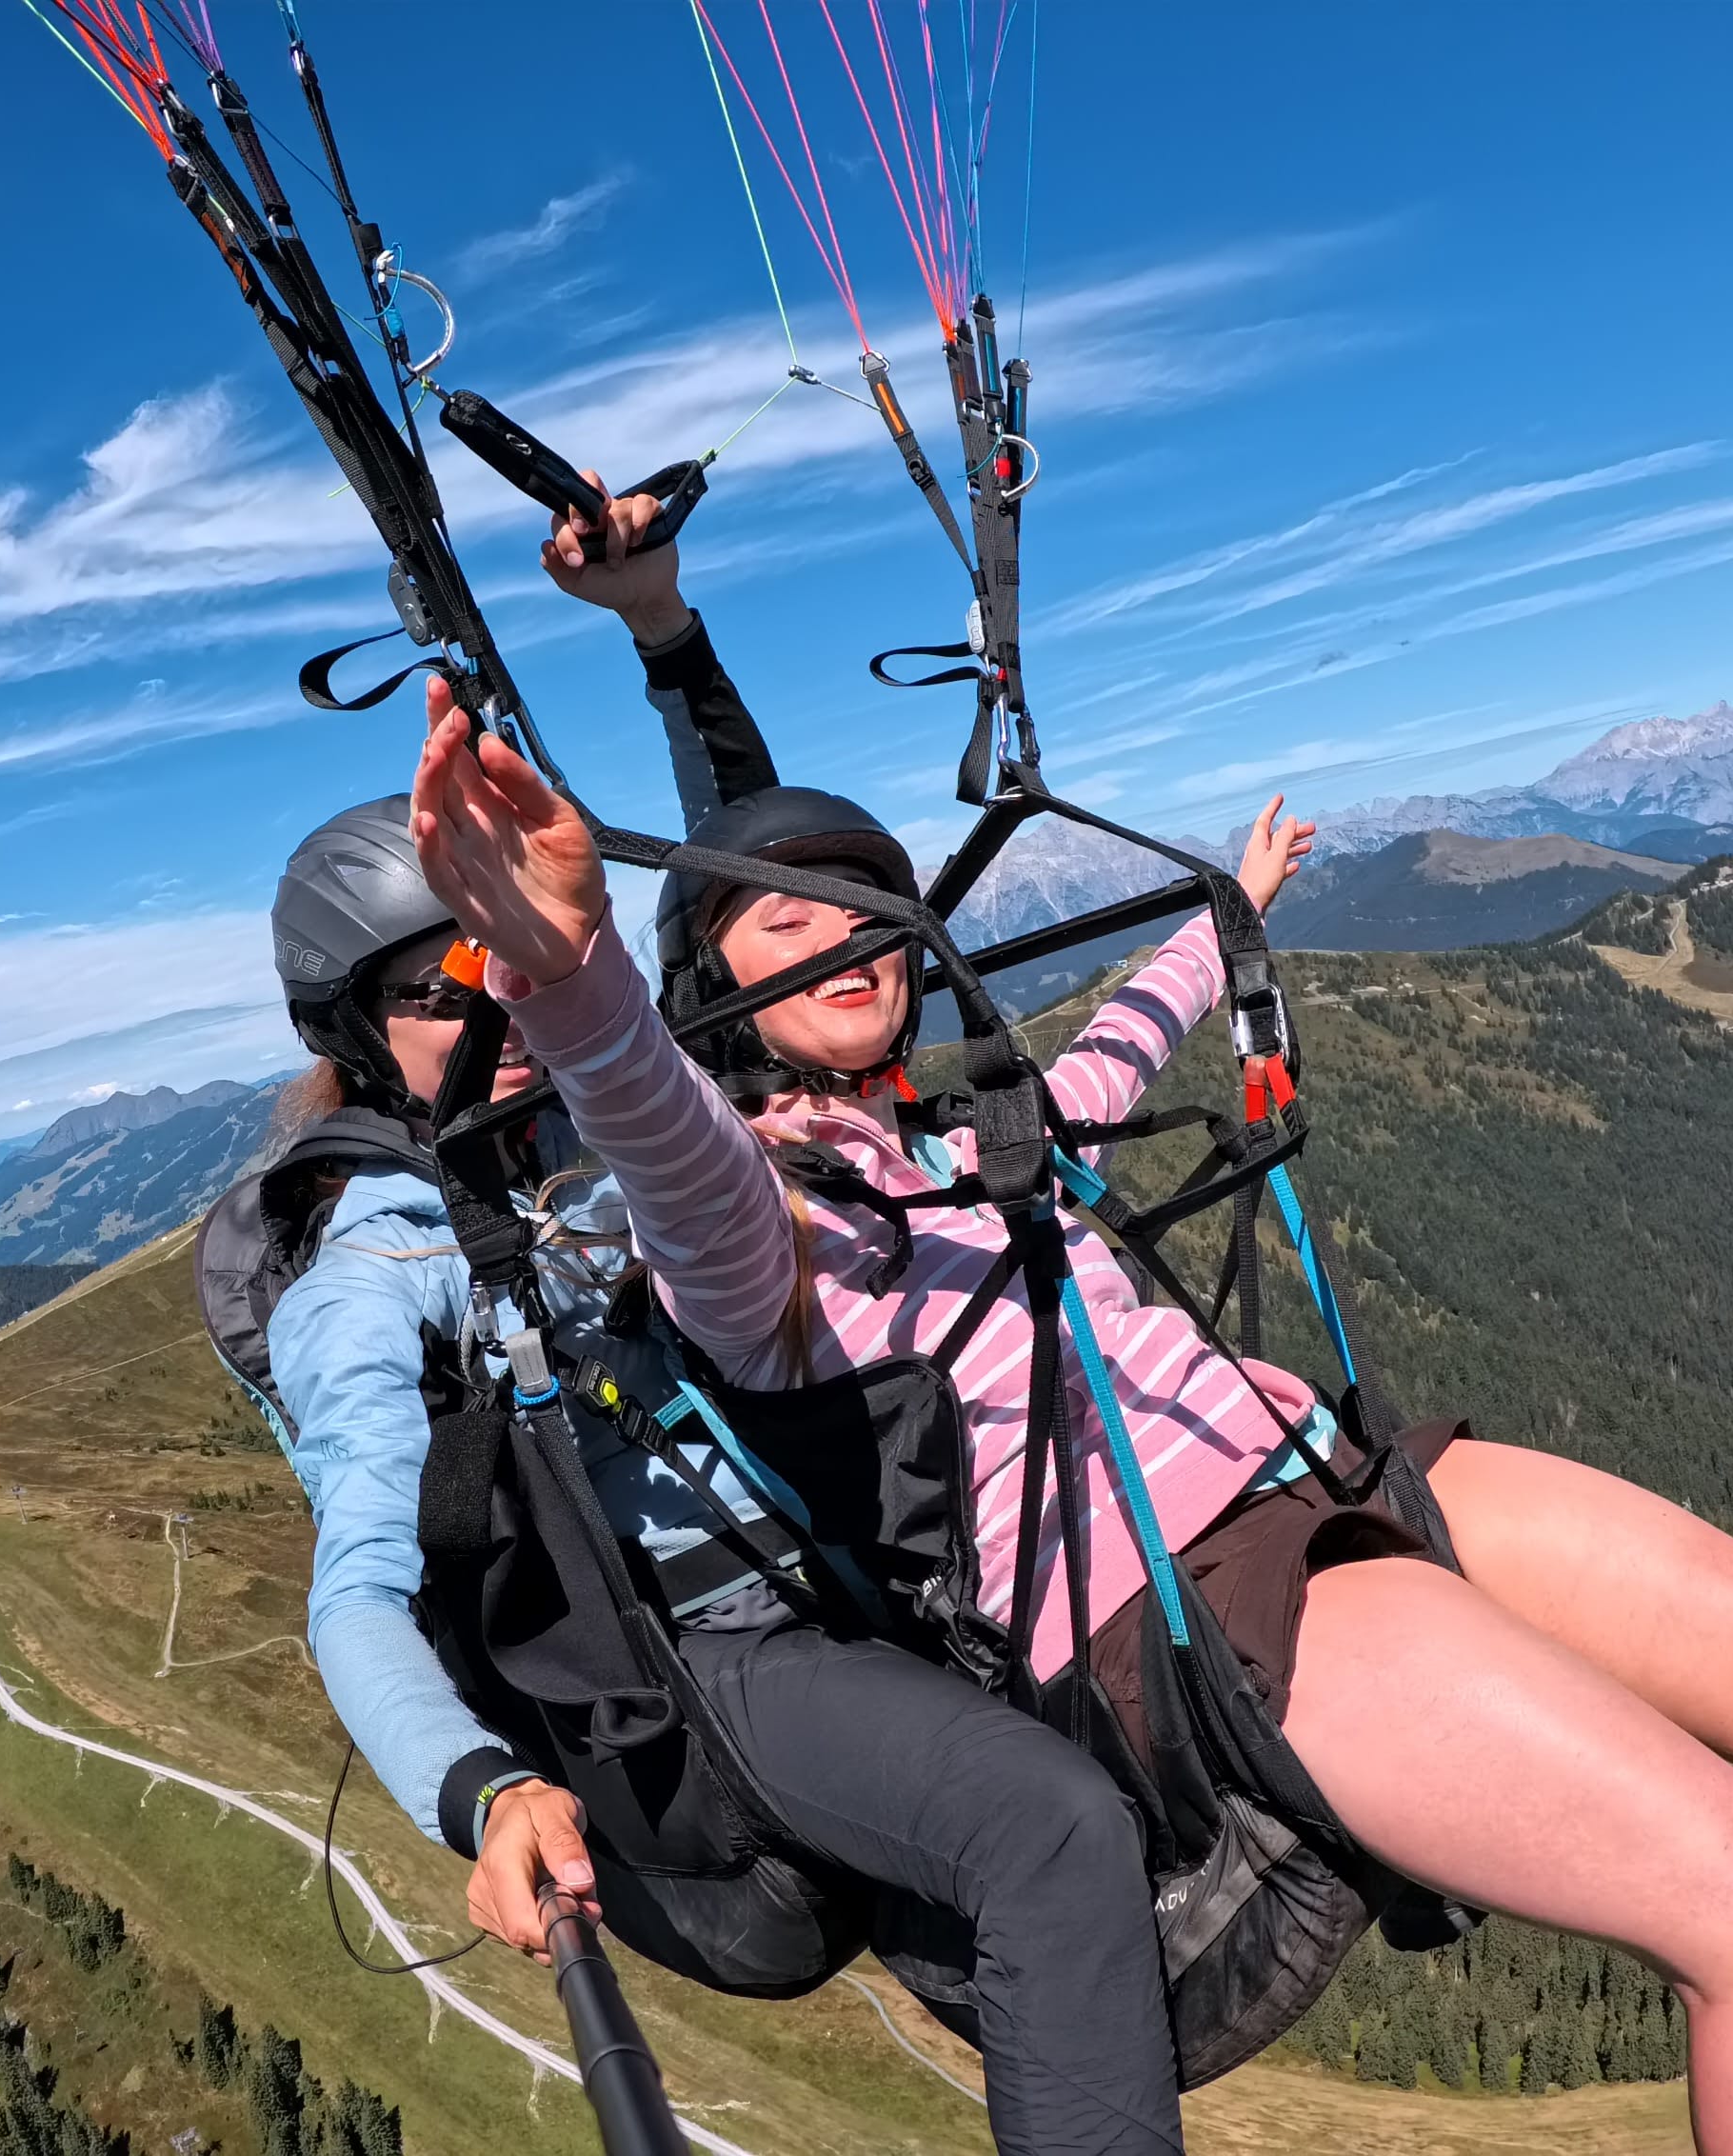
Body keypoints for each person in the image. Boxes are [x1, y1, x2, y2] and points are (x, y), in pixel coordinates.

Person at [406, 689, 1733, 2155]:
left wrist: (1231, 920)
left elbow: (1112, 1057)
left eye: (848, 898)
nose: (826, 928)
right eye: (767, 916)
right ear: (716, 991)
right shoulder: (758, 1226)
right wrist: (570, 987)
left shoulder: (965, 1136)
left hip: (1326, 1474)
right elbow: (670, 1151)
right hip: (1180, 1597)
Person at [250, 494, 1217, 2156]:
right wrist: (479, 1792)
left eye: (494, 962)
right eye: (436, 989)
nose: (490, 1001)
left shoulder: (620, 1127)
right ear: (356, 1028)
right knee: (1050, 1831)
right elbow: (357, 1596)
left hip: (853, 1549)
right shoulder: (376, 1279)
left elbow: (754, 877)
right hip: (729, 1659)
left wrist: (665, 632)